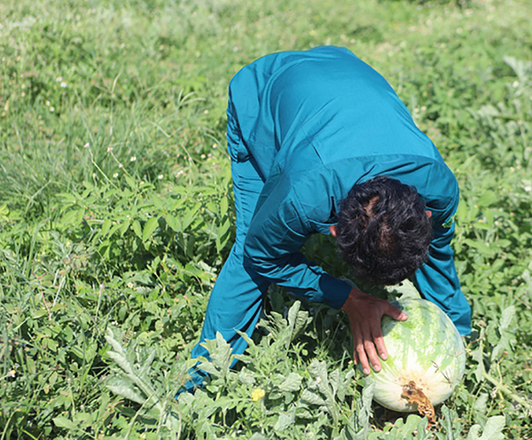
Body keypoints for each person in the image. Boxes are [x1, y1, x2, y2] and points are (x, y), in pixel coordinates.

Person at [181, 46, 470, 394]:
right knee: (251, 247)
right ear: (332, 229)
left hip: (343, 67)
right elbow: (261, 253)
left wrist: (456, 334)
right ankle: (196, 388)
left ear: (426, 214)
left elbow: (437, 254)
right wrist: (348, 298)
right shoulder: (302, 198)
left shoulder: (437, 186)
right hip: (263, 89)